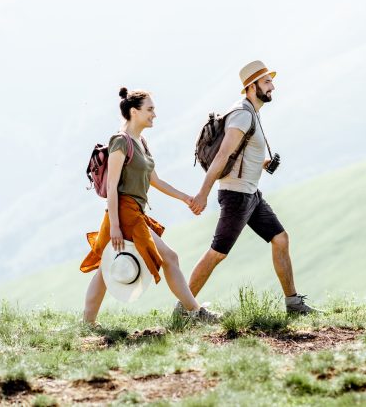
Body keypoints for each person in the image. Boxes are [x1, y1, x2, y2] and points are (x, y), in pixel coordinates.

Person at [184, 60, 317, 315]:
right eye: (267, 82)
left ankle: (293, 304)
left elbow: (240, 154)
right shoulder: (242, 114)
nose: (272, 87)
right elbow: (223, 155)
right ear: (251, 86)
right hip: (236, 196)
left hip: (251, 194)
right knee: (217, 253)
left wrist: (263, 163)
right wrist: (203, 193)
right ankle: (184, 309)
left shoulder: (251, 112)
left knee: (280, 239)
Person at [81, 87, 219, 325]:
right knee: (170, 257)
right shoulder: (120, 142)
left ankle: (87, 323)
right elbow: (112, 187)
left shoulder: (141, 142)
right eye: (150, 109)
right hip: (123, 212)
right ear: (134, 112)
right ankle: (194, 313)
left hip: (134, 211)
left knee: (104, 269)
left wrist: (186, 198)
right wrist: (115, 225)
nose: (154, 114)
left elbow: (155, 181)